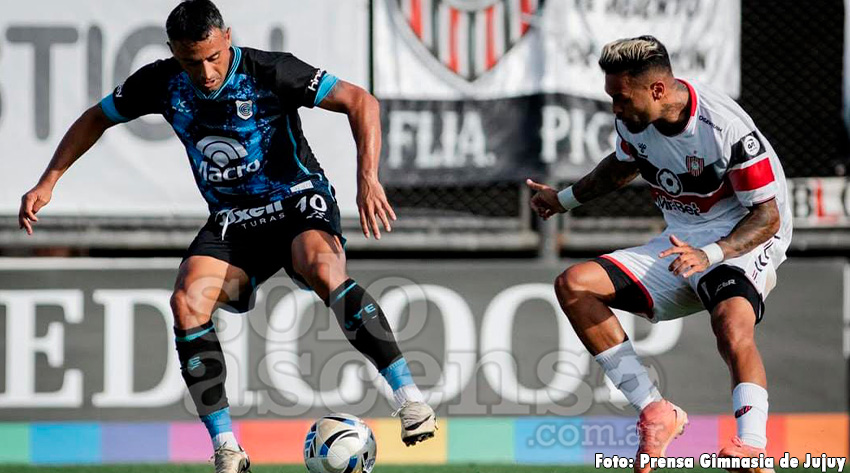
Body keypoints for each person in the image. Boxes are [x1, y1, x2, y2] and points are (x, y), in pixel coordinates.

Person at [18, 1, 436, 472]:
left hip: (296, 201)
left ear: (227, 37)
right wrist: (48, 181)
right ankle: (227, 448)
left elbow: (361, 101)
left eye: (213, 57)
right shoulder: (161, 82)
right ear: (173, 52)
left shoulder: (270, 71)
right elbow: (97, 116)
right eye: (191, 61)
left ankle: (410, 399)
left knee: (321, 267)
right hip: (234, 220)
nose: (206, 72)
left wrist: (368, 178)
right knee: (186, 303)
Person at [527, 36, 790, 473]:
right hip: (681, 238)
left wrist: (711, 254)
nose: (615, 108)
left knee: (731, 325)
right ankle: (655, 411)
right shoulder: (635, 121)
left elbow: (767, 216)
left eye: (621, 98)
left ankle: (752, 446)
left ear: (656, 90)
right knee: (574, 286)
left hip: (743, 236)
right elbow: (622, 165)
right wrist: (564, 199)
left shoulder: (723, 128)